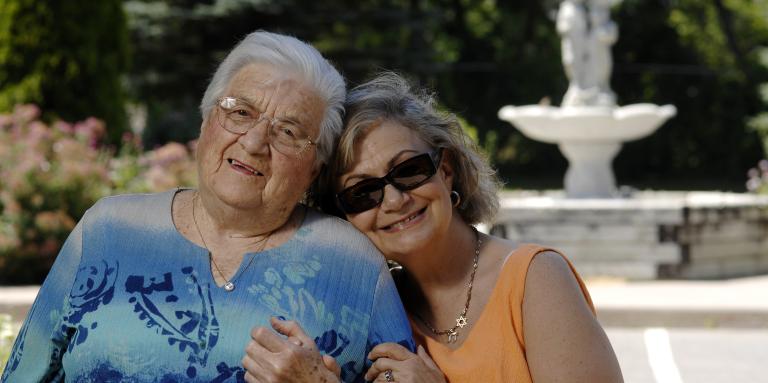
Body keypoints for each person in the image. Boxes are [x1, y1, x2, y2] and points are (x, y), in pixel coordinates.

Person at [1, 32, 413, 383]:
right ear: (206, 121)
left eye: (288, 131)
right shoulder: (107, 230)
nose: (254, 143)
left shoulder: (353, 265)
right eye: (241, 112)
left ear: (314, 168)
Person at [310, 72, 622, 382]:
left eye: (408, 170)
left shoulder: (536, 279)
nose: (394, 200)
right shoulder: (372, 309)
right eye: (362, 193)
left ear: (445, 170)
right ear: (343, 215)